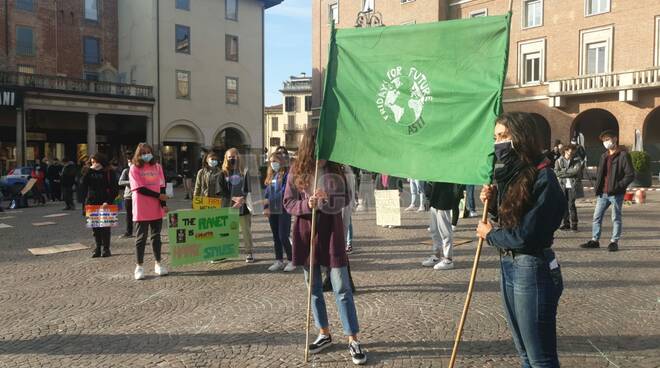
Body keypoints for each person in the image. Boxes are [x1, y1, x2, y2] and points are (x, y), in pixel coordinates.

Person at [476, 112, 565, 368]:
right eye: (495, 138)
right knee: (524, 352)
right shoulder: (512, 174)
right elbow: (511, 220)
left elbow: (528, 234)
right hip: (508, 264)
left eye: (503, 136)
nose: (498, 143)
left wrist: (490, 234)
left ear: (521, 137)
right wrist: (492, 205)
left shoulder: (544, 176)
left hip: (532, 267)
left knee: (540, 358)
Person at [283, 128, 367, 365]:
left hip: (332, 234)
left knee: (342, 288)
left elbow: (348, 198)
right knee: (314, 289)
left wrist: (327, 201)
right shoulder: (296, 170)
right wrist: (306, 204)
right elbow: (288, 202)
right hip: (306, 235)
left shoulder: (335, 168)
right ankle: (324, 332)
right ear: (310, 146)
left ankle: (353, 338)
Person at [579, 130, 634, 252]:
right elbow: (600, 173)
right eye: (604, 141)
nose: (606, 142)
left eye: (607, 139)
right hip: (602, 193)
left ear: (615, 139)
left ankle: (614, 241)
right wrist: (597, 187)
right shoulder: (604, 156)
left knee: (616, 218)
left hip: (616, 193)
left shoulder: (623, 155)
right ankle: (595, 240)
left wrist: (618, 186)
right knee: (596, 217)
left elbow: (630, 175)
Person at [129, 143, 168, 280]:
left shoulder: (157, 167)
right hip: (141, 207)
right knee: (141, 238)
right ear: (138, 154)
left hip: (156, 207)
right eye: (143, 152)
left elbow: (162, 186)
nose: (146, 154)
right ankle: (139, 266)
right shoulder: (134, 168)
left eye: (148, 151)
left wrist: (163, 204)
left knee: (156, 237)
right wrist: (158, 196)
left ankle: (158, 263)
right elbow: (139, 189)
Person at [220, 148, 255, 263]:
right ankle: (226, 252)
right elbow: (221, 191)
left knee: (246, 231)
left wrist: (242, 199)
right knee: (228, 231)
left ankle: (249, 252)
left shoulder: (244, 171)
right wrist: (234, 199)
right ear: (226, 158)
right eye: (229, 157)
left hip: (243, 206)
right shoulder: (223, 173)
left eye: (234, 156)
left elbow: (248, 188)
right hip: (229, 207)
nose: (232, 158)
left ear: (238, 157)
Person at [81, 153, 119, 258]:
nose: (94, 164)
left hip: (105, 203)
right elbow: (83, 186)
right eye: (92, 162)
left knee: (105, 227)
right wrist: (88, 171)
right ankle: (97, 248)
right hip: (92, 202)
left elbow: (114, 189)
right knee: (95, 227)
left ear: (101, 162)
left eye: (96, 162)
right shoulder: (88, 171)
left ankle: (106, 249)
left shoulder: (109, 172)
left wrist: (109, 200)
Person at [263, 152, 295, 272]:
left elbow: (284, 192)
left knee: (283, 236)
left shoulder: (286, 175)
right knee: (276, 236)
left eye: (275, 161)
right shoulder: (270, 176)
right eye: (271, 161)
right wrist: (266, 207)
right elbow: (266, 194)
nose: (273, 164)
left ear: (281, 162)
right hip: (272, 210)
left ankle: (292, 259)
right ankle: (279, 260)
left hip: (283, 209)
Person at [421, 182, 458, 270]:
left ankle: (448, 259)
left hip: (444, 194)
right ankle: (436, 255)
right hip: (434, 194)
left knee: (445, 231)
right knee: (434, 229)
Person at [555, 144, 584, 232]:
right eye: (569, 151)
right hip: (562, 185)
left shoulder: (577, 160)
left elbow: (575, 171)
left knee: (571, 205)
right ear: (565, 151)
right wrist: (568, 172)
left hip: (572, 185)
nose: (571, 153)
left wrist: (563, 171)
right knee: (564, 205)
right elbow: (556, 172)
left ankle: (574, 224)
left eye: (573, 151)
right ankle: (565, 224)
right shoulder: (559, 161)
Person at [118, 154, 134, 238]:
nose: (130, 162)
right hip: (129, 196)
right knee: (129, 215)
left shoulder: (140, 170)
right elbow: (120, 182)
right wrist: (132, 183)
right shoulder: (126, 171)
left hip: (140, 196)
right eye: (129, 161)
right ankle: (129, 231)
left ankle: (141, 234)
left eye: (131, 161)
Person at [342, 165, 358, 253]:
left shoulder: (347, 174)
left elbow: (352, 189)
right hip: (346, 201)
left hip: (345, 201)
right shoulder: (350, 174)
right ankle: (348, 243)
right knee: (348, 223)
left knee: (348, 223)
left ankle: (349, 243)